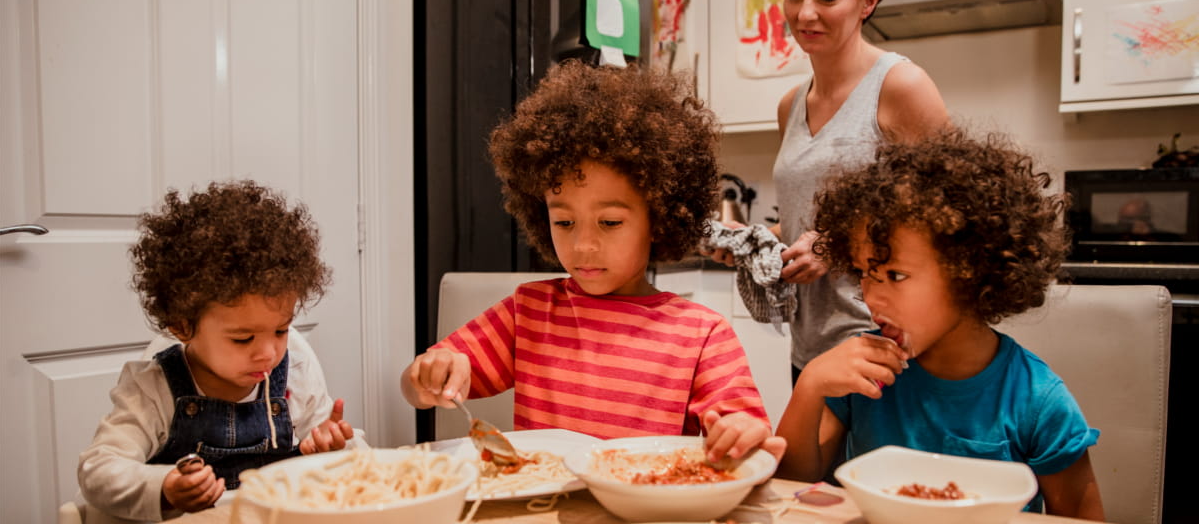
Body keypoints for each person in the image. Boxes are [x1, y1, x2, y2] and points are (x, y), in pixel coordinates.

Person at [401, 60, 785, 463]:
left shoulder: (702, 334)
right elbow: (419, 388)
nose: (583, 245)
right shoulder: (528, 312)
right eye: (564, 221)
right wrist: (430, 375)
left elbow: (742, 427)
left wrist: (738, 435)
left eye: (610, 222)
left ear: (658, 218)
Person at [776, 130, 1104, 520]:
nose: (871, 297)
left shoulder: (1036, 399)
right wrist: (810, 385)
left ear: (972, 273)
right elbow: (791, 482)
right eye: (865, 272)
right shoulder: (864, 371)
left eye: (896, 275)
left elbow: (1082, 518)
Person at [708, 0, 950, 384]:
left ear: (868, 1)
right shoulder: (791, 105)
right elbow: (805, 221)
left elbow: (951, 216)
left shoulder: (900, 86)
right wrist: (756, 241)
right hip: (813, 344)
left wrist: (837, 244)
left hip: (887, 345)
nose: (805, 13)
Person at [78, 181, 356, 522]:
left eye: (281, 330)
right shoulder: (152, 391)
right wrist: (163, 487)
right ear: (182, 326)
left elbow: (341, 457)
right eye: (243, 339)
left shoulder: (295, 368)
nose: (268, 353)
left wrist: (331, 449)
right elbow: (99, 470)